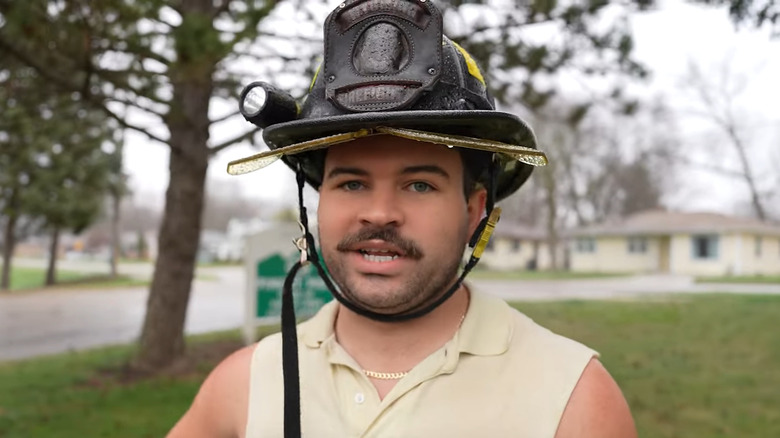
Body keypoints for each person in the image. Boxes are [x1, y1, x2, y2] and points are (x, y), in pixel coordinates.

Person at [168, 1, 637, 437]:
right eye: (351, 183)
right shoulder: (243, 385)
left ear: (474, 213)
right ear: (318, 202)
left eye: (420, 185)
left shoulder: (573, 399)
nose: (379, 214)